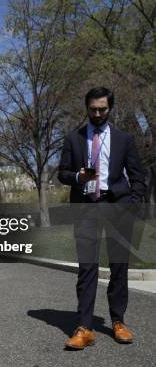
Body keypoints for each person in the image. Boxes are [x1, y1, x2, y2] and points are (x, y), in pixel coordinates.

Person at [58, 87, 145, 350]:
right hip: (86, 207)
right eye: (93, 109)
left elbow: (137, 177)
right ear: (86, 108)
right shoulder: (73, 139)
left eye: (102, 109)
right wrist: (77, 177)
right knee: (87, 269)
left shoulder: (124, 139)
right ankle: (84, 327)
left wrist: (132, 203)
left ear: (110, 108)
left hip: (117, 205)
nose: (97, 114)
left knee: (119, 267)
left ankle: (118, 321)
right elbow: (62, 173)